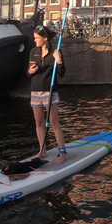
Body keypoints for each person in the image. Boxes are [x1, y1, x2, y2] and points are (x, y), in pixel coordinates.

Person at [27, 25, 67, 165]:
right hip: (35, 90)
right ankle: (42, 149)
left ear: (45, 38)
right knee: (38, 122)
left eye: (37, 38)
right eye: (34, 38)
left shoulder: (55, 52)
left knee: (53, 122)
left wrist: (60, 61)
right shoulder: (33, 51)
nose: (35, 40)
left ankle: (62, 152)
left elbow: (61, 73)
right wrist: (31, 71)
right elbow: (29, 71)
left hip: (50, 91)